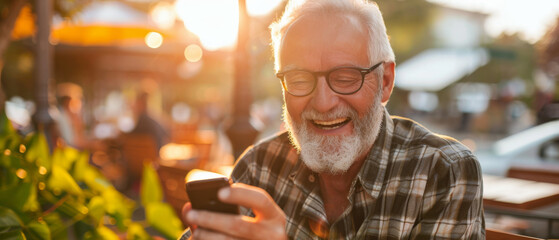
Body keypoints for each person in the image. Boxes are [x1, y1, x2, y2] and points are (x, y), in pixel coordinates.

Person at [181, 0, 485, 239]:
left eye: (345, 77)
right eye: (299, 79)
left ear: (386, 81)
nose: (323, 103)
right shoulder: (261, 164)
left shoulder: (443, 172)